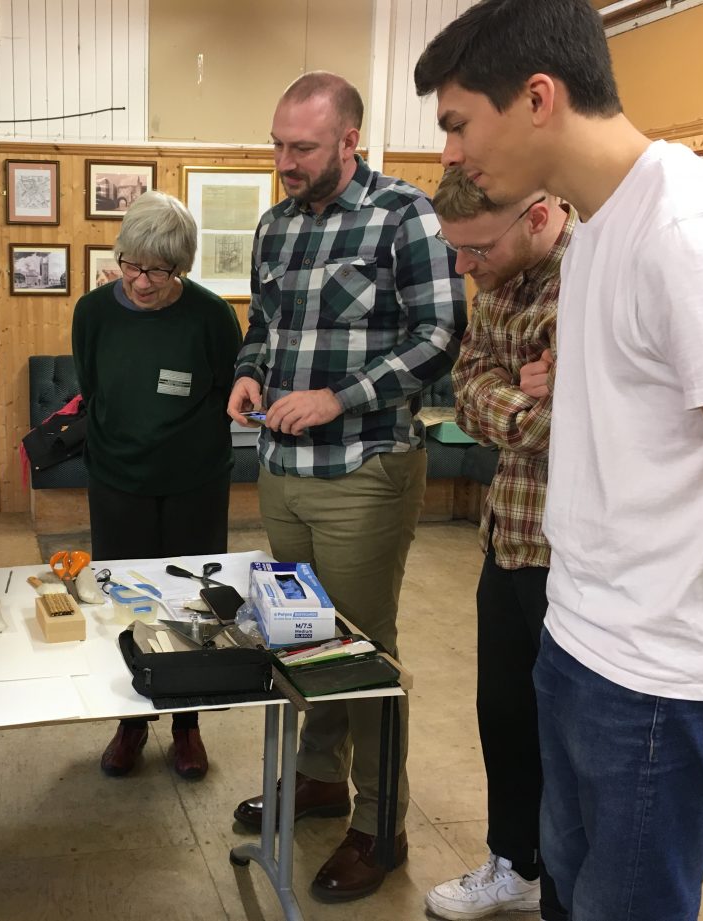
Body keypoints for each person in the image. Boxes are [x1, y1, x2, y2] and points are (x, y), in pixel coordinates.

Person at [415, 2, 703, 919]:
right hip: (579, 635)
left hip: (661, 674)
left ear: (537, 97)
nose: (449, 153)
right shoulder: (605, 229)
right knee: (569, 891)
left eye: (456, 123)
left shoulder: (687, 225)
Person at [227, 71, 466, 902]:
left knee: (364, 650)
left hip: (366, 468)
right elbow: (263, 323)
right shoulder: (276, 224)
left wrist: (339, 396)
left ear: (349, 141)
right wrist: (251, 372)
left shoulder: (405, 214)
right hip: (282, 473)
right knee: (302, 637)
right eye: (277, 145)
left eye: (302, 148)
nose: (285, 162)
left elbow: (442, 335)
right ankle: (320, 779)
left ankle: (381, 825)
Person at [426, 168, 574, 921]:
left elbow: (583, 415)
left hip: (573, 555)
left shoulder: (591, 279)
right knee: (504, 712)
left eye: (475, 248)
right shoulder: (498, 286)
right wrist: (528, 390)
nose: (463, 267)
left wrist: (535, 397)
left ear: (540, 217)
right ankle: (515, 862)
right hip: (507, 532)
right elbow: (466, 387)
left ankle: (567, 885)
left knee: (571, 733)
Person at [72, 191, 241, 781]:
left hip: (194, 483)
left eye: (160, 271)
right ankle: (131, 723)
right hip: (117, 481)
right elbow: (93, 390)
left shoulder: (212, 316)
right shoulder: (92, 313)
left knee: (190, 608)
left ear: (183, 268)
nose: (142, 282)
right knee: (125, 606)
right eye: (132, 265)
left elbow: (225, 393)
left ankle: (187, 726)